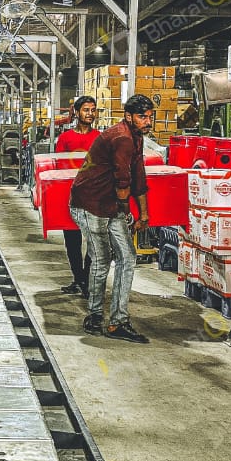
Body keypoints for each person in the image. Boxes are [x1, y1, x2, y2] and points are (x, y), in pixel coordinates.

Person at [69, 93, 154, 344]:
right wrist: (127, 211)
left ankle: (118, 322)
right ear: (128, 116)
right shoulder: (122, 138)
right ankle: (95, 316)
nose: (148, 121)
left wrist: (144, 213)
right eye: (142, 117)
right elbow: (123, 180)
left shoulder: (136, 137)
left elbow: (139, 175)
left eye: (150, 117)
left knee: (128, 258)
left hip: (111, 204)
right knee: (101, 259)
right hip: (91, 203)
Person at [55, 96, 100, 298]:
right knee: (72, 243)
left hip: (95, 198)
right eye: (86, 110)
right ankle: (79, 279)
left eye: (93, 110)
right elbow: (59, 168)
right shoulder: (65, 139)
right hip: (71, 197)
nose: (90, 114)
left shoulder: (100, 138)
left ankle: (86, 280)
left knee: (93, 242)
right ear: (77, 112)